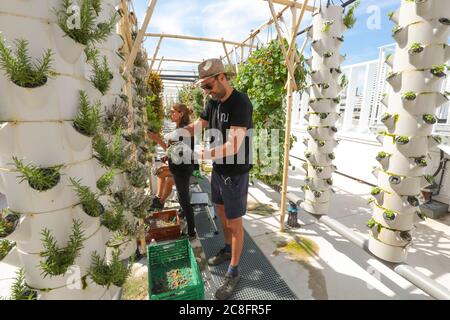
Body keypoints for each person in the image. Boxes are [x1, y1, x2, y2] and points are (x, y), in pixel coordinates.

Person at [184, 58, 253, 300]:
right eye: (203, 87)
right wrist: (177, 134)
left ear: (222, 77)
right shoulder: (213, 102)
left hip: (235, 173)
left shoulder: (240, 102)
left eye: (208, 86)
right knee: (221, 214)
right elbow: (200, 124)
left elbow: (234, 146)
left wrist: (203, 154)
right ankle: (226, 248)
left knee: (235, 222)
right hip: (219, 170)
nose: (207, 92)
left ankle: (234, 271)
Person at [147, 103, 197, 240]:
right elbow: (171, 149)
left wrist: (157, 140)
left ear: (181, 114)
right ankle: (159, 200)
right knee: (183, 200)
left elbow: (182, 153)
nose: (170, 114)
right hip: (180, 168)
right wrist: (166, 153)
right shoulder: (179, 129)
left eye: (173, 112)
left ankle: (192, 233)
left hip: (183, 170)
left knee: (184, 201)